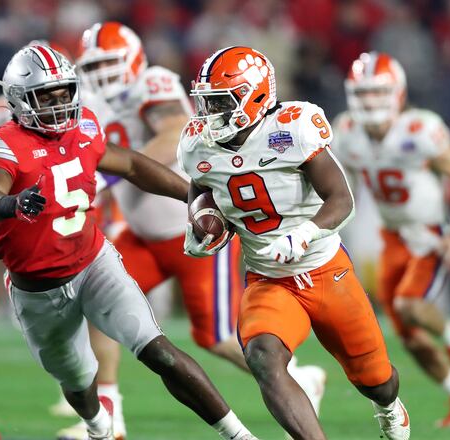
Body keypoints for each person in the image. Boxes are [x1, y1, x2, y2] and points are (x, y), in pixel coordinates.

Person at [0, 44, 258, 440]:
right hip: (38, 290)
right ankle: (99, 427)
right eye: (45, 97)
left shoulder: (84, 126)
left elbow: (134, 165)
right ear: (20, 100)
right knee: (78, 380)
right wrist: (9, 203)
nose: (58, 105)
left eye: (63, 93)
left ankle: (239, 435)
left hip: (93, 264)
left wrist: (193, 195)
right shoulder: (0, 141)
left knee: (157, 349)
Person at [57, 22, 326, 440]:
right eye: (95, 65)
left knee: (215, 337)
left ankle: (300, 376)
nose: (103, 74)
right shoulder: (92, 102)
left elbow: (172, 130)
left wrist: (107, 174)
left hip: (197, 230)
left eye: (110, 63)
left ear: (132, 58)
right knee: (98, 307)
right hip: (143, 234)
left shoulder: (153, 82)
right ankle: (110, 421)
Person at [178, 46, 410, 440]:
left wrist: (301, 234)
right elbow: (203, 187)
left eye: (221, 101)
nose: (210, 113)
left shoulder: (293, 127)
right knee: (263, 357)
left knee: (377, 381)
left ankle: (388, 409)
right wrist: (200, 225)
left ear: (254, 96)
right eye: (207, 102)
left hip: (325, 269)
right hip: (268, 278)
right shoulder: (197, 143)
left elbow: (341, 197)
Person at [332, 51, 450, 428]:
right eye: (363, 93)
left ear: (397, 93)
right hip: (392, 236)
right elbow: (344, 186)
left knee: (410, 305)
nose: (369, 102)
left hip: (429, 234)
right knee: (408, 338)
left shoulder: (419, 128)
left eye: (377, 93)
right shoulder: (347, 132)